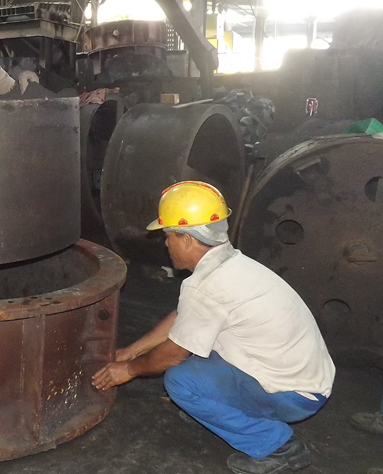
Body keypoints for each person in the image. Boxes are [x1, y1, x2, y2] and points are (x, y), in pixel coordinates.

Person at [92, 181, 335, 474]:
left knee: (181, 381)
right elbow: (184, 318)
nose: (166, 244)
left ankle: (279, 446)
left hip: (294, 395)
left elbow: (172, 355)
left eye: (168, 236)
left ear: (187, 240)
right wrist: (132, 351)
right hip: (306, 378)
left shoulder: (207, 287)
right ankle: (222, 408)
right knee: (198, 353)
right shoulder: (231, 264)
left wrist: (128, 370)